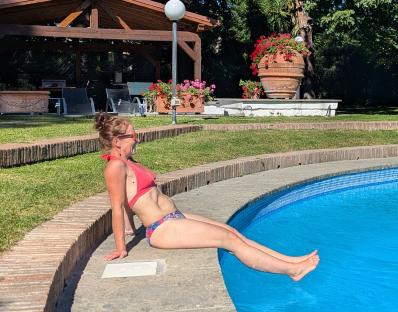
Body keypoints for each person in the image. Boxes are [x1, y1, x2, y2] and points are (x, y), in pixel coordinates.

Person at [94, 113, 319, 281]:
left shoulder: (128, 163)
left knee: (232, 231)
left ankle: (291, 260)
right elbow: (117, 206)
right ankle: (292, 271)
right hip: (162, 228)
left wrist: (130, 228)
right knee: (229, 241)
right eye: (133, 135)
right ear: (117, 142)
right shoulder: (114, 167)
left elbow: (126, 202)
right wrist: (121, 246)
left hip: (174, 218)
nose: (137, 139)